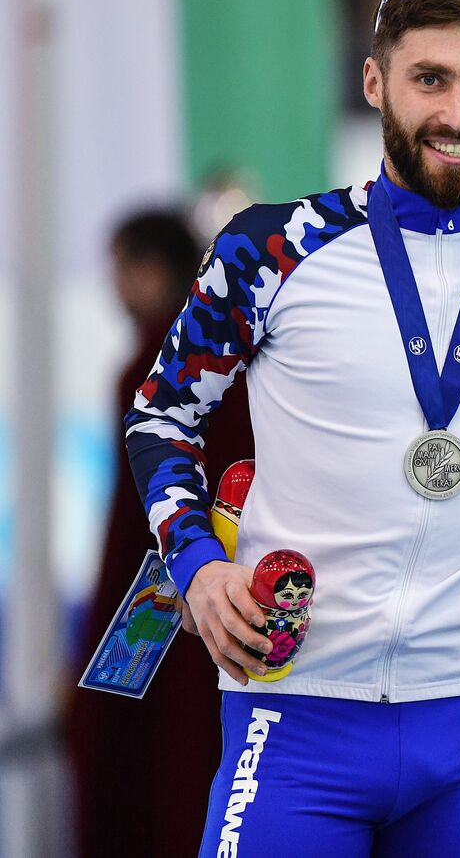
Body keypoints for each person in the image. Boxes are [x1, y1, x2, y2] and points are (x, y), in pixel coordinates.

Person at [123, 0, 460, 856]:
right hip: (294, 709)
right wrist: (198, 568)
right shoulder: (271, 245)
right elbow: (162, 416)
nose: (458, 114)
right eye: (430, 79)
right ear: (375, 80)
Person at [67, 209, 253, 857]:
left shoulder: (152, 371)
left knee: (157, 781)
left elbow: (129, 534)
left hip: (163, 606)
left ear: (150, 270)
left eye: (120, 268)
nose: (114, 285)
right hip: (236, 606)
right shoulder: (244, 364)